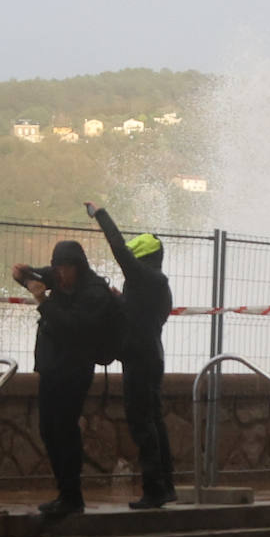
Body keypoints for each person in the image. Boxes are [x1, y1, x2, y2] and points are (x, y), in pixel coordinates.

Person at [12, 240, 114, 520]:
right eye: (58, 269)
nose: (61, 275)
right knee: (48, 429)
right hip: (51, 368)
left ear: (78, 267)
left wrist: (42, 301)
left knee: (65, 430)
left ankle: (72, 495)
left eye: (66, 269)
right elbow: (32, 276)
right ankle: (64, 493)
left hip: (74, 371)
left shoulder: (94, 292)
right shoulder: (57, 278)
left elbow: (72, 327)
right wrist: (23, 273)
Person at [85, 200, 177, 509]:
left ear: (144, 259)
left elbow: (119, 248)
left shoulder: (144, 277)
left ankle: (154, 489)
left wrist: (101, 214)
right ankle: (167, 485)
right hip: (153, 355)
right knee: (155, 421)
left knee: (141, 422)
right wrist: (121, 299)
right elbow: (143, 316)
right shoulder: (159, 286)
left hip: (139, 359)